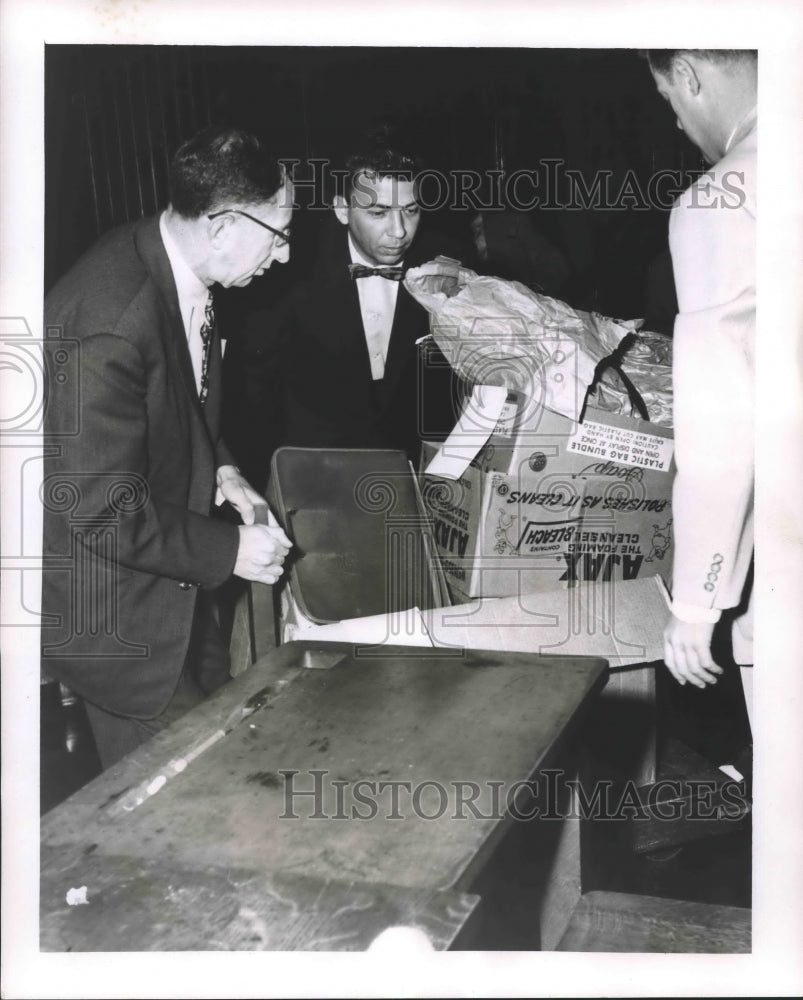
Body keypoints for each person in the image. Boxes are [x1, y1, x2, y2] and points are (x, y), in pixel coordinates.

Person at [42, 126, 293, 769]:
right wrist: (233, 548)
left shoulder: (170, 259)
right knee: (194, 798)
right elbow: (100, 508)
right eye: (278, 232)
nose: (285, 255)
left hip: (173, 591)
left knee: (230, 745)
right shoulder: (111, 322)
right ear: (222, 225)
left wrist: (225, 470)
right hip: (118, 623)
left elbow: (177, 399)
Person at [235, 133, 466, 477]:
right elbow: (252, 396)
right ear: (342, 209)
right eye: (378, 212)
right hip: (314, 475)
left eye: (411, 211)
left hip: (414, 471)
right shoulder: (285, 271)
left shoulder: (446, 261)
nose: (399, 231)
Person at [645, 50, 756, 718]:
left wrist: (694, 603)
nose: (681, 125)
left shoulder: (724, 197)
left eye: (669, 103)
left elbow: (724, 429)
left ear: (688, 75)